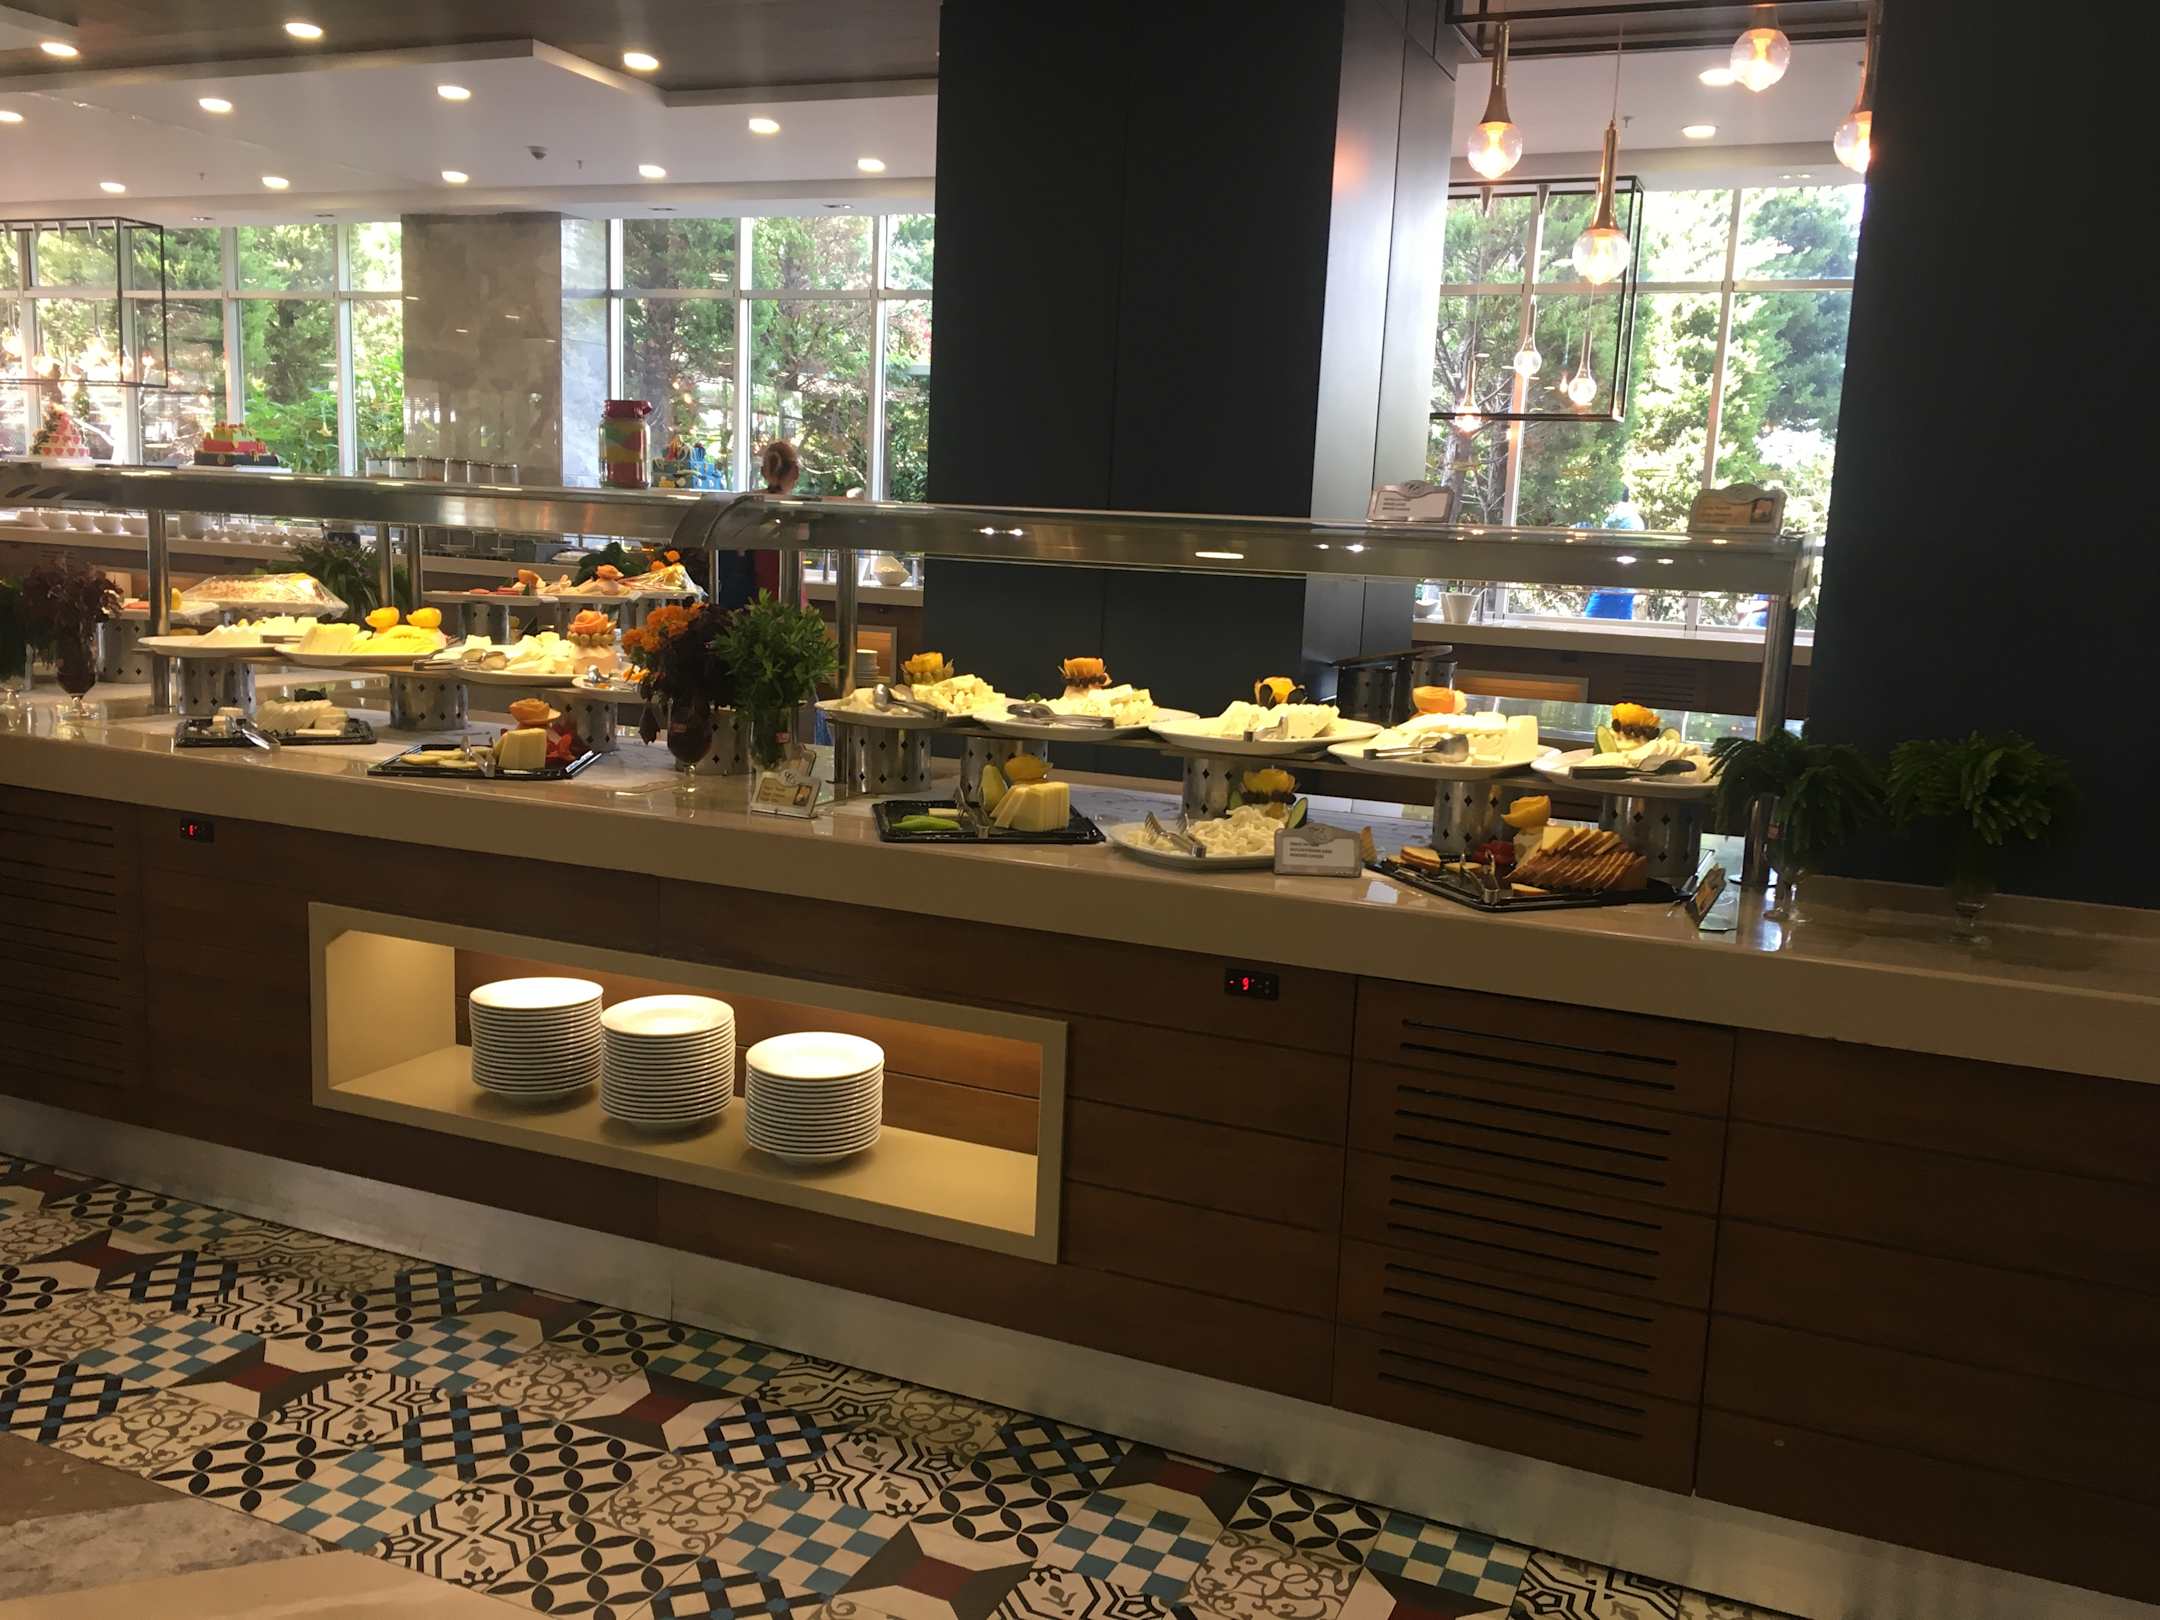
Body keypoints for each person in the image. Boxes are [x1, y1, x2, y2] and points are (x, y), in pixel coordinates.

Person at [714, 438, 802, 610]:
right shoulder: (797, 509)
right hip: (780, 580)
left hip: (748, 586)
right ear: (795, 472)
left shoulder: (746, 502)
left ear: (762, 471)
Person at [1584, 484, 1643, 620]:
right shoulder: (1636, 519)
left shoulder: (1611, 517)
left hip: (1609, 589)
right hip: (1626, 589)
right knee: (1620, 629)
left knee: (1589, 628)